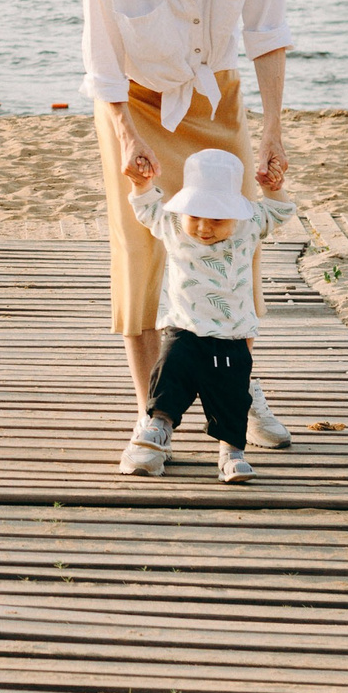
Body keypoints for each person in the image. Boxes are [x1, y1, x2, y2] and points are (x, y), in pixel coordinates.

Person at [81, 0, 294, 465]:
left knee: (235, 248)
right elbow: (102, 54)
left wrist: (273, 130)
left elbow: (266, 30)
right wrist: (124, 135)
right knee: (144, 260)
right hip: (136, 104)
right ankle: (154, 414)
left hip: (215, 96)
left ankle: (242, 393)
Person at [119, 148, 270, 481]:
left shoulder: (249, 227)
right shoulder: (174, 225)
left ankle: (231, 452)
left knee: (231, 395)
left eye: (217, 219)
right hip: (184, 329)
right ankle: (158, 426)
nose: (203, 227)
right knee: (168, 375)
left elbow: (279, 209)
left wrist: (273, 187)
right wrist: (141, 184)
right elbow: (145, 209)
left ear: (236, 214)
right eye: (196, 216)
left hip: (231, 337)